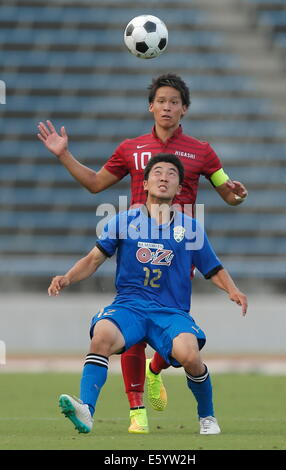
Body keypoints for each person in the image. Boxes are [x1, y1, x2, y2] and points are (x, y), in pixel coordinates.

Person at [37, 73, 248, 434]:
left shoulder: (202, 151)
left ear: (184, 109)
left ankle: (157, 370)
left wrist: (236, 194)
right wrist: (64, 155)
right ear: (151, 106)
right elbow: (94, 184)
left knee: (178, 347)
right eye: (161, 101)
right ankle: (136, 412)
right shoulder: (131, 149)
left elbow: (226, 191)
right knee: (122, 328)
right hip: (136, 238)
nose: (167, 107)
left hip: (180, 243)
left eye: (174, 102)